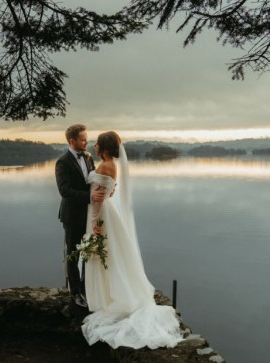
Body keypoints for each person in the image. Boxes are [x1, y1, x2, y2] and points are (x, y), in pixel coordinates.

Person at [81, 131, 183, 349]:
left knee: (104, 255)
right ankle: (111, 296)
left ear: (104, 148)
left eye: (98, 144)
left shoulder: (105, 166)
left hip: (102, 216)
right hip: (108, 213)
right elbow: (106, 190)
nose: (95, 147)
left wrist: (94, 223)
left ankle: (110, 299)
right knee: (113, 255)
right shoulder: (110, 165)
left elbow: (98, 198)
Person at [55, 124, 105, 308]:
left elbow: (93, 182)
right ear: (72, 141)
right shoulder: (62, 162)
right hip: (72, 216)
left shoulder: (89, 157)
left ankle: (85, 289)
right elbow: (64, 191)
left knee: (88, 252)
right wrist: (89, 197)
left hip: (89, 215)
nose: (86, 142)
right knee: (73, 255)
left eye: (86, 139)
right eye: (83, 139)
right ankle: (75, 293)